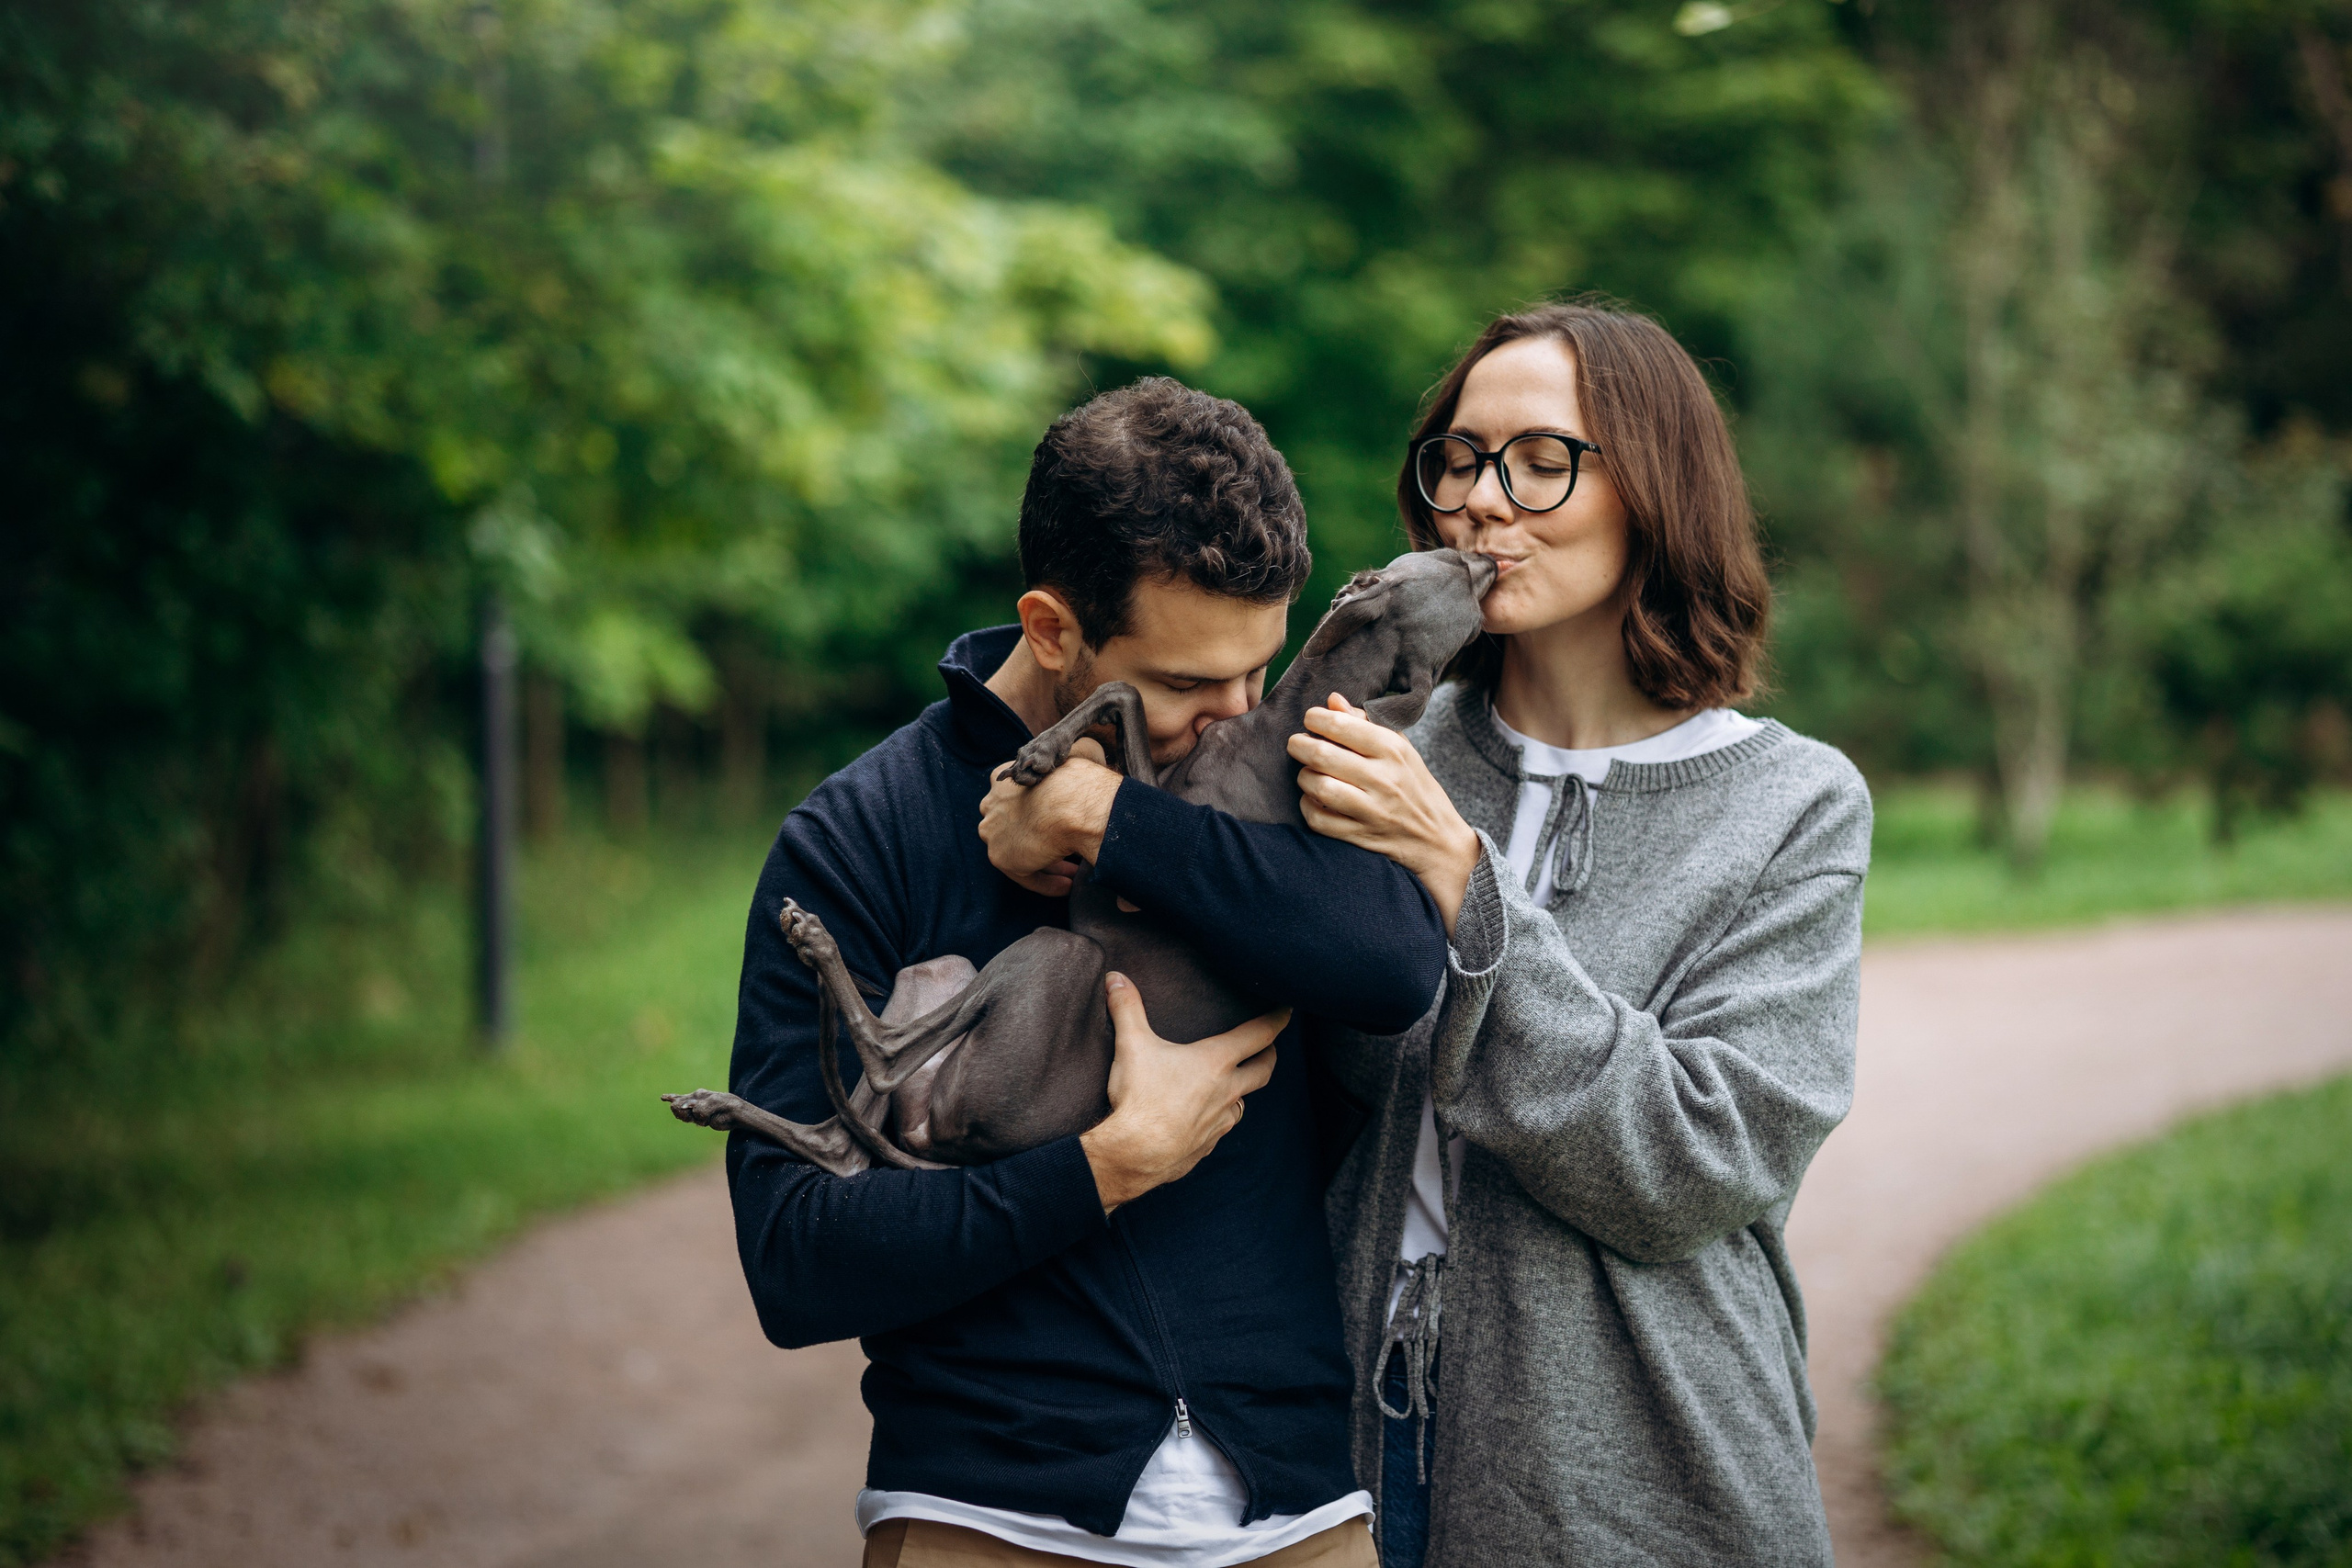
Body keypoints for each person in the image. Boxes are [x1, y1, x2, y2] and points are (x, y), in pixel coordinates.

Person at [726, 378, 1441, 1567]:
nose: (1235, 719)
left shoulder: (1273, 763)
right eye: (1180, 687)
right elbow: (797, 1261)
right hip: (986, 1515)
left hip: (1299, 1512)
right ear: (1052, 629)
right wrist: (1105, 1170)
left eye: (1256, 670)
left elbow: (1395, 967)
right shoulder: (864, 833)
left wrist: (1116, 821)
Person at [1284, 303, 1871, 1566]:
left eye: (1541, 460)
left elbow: (1690, 1162)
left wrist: (1460, 875)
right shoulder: (1377, 757)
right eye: (1456, 458)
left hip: (1650, 1471)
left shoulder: (1794, 807)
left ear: (1655, 490)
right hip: (1350, 1460)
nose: (1481, 503)